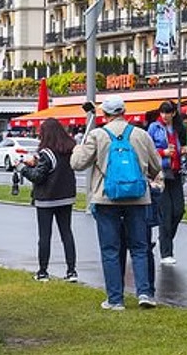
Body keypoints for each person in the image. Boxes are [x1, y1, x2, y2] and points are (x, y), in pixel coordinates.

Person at [71, 96, 162, 310]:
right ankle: (144, 293)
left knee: (110, 249)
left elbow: (77, 164)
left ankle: (115, 299)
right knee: (140, 247)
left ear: (105, 115)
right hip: (138, 198)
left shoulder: (97, 135)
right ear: (124, 112)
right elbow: (156, 166)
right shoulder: (141, 134)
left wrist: (78, 149)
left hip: (106, 198)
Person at [16, 117, 78, 283]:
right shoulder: (69, 149)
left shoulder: (46, 152)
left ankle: (43, 272)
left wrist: (22, 168)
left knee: (45, 236)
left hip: (47, 198)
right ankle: (72, 271)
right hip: (66, 197)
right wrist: (37, 163)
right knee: (67, 233)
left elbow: (38, 177)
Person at [147, 101, 185, 266]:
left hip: (176, 172)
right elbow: (148, 149)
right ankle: (166, 251)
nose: (164, 116)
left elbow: (185, 145)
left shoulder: (178, 129)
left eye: (167, 113)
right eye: (162, 113)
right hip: (161, 172)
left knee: (179, 210)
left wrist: (185, 150)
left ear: (173, 114)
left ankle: (165, 239)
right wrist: (163, 152)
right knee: (166, 213)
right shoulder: (154, 128)